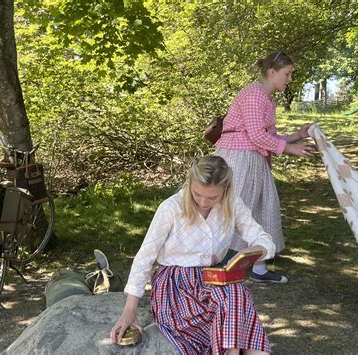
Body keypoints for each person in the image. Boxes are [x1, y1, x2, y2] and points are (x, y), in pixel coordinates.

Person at [111, 156, 275, 354]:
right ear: (189, 184)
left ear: (226, 189)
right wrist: (129, 311)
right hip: (175, 283)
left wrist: (255, 250)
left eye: (213, 197)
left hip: (213, 279)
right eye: (197, 194)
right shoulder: (171, 208)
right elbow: (144, 257)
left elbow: (263, 238)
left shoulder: (233, 204)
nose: (204, 202)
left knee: (236, 293)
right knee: (232, 297)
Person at [215, 50, 315, 283]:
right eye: (287, 74)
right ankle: (216, 262)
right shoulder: (253, 94)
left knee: (262, 208)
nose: (290, 79)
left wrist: (294, 136)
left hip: (254, 158)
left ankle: (258, 268)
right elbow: (257, 135)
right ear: (272, 72)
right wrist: (289, 149)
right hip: (238, 158)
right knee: (236, 207)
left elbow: (267, 136)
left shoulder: (266, 98)